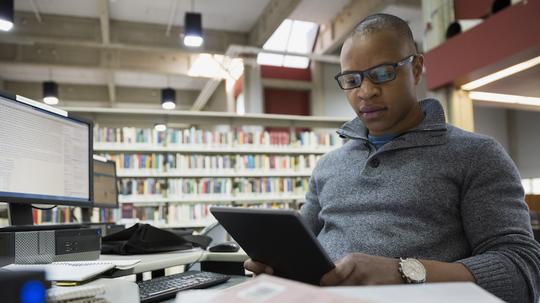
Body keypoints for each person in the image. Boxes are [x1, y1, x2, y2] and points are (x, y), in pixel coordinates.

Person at [244, 13, 540, 303]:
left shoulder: (477, 155)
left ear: (416, 68)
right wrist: (274, 266)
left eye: (383, 73)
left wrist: (405, 271)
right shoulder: (328, 166)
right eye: (351, 80)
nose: (366, 92)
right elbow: (299, 244)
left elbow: (522, 271)